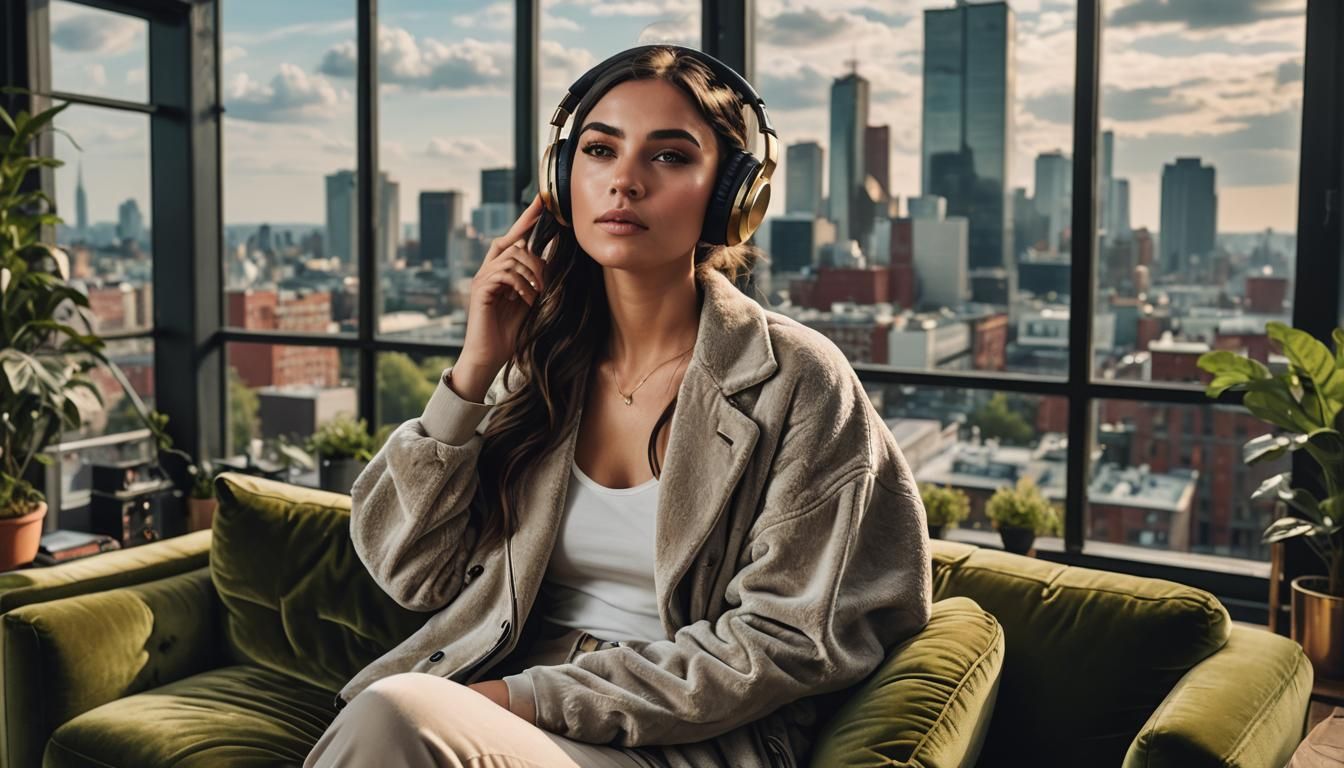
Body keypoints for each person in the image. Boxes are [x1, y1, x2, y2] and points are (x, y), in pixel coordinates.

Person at [304, 44, 931, 768]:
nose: (624, 181)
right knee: (396, 714)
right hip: (496, 698)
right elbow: (409, 569)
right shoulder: (540, 365)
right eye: (600, 149)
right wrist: (474, 372)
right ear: (563, 178)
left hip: (679, 735)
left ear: (732, 198)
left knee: (395, 713)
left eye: (668, 157)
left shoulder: (797, 381)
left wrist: (520, 698)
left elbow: (787, 639)